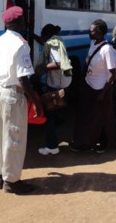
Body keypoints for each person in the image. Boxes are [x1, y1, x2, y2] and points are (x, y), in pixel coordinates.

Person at [0, 6, 43, 194]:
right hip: (13, 94)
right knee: (14, 139)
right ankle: (11, 181)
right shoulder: (21, 44)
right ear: (20, 22)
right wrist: (35, 101)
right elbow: (23, 77)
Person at [70, 19, 116, 153]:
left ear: (100, 32)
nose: (89, 33)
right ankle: (85, 143)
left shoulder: (107, 49)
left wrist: (103, 92)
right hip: (89, 85)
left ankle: (103, 143)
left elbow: (112, 73)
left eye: (92, 31)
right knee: (87, 117)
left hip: (100, 88)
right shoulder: (93, 43)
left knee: (101, 118)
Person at [34, 24, 73, 156]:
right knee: (56, 113)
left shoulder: (53, 44)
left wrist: (42, 67)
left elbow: (59, 63)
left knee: (49, 116)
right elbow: (42, 41)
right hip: (62, 83)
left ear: (47, 35)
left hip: (57, 86)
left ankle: (52, 146)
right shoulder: (56, 40)